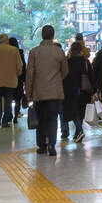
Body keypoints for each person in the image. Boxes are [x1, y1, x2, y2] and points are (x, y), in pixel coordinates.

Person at [26, 25, 68, 156]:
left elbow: (30, 74)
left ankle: (42, 146)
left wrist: (29, 93)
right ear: (53, 35)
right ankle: (52, 145)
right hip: (55, 93)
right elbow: (65, 71)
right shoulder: (59, 52)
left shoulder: (34, 52)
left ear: (42, 35)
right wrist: (56, 80)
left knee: (41, 120)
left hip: (39, 93)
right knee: (53, 119)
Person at [0, 34, 22, 128]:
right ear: (7, 40)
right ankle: (5, 121)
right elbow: (19, 66)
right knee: (8, 101)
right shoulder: (14, 50)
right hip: (10, 80)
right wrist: (17, 74)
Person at [63, 41, 90, 143]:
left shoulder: (68, 62)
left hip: (72, 91)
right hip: (84, 91)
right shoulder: (85, 61)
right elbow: (90, 75)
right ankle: (78, 132)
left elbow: (65, 78)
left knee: (74, 112)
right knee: (80, 112)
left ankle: (80, 131)